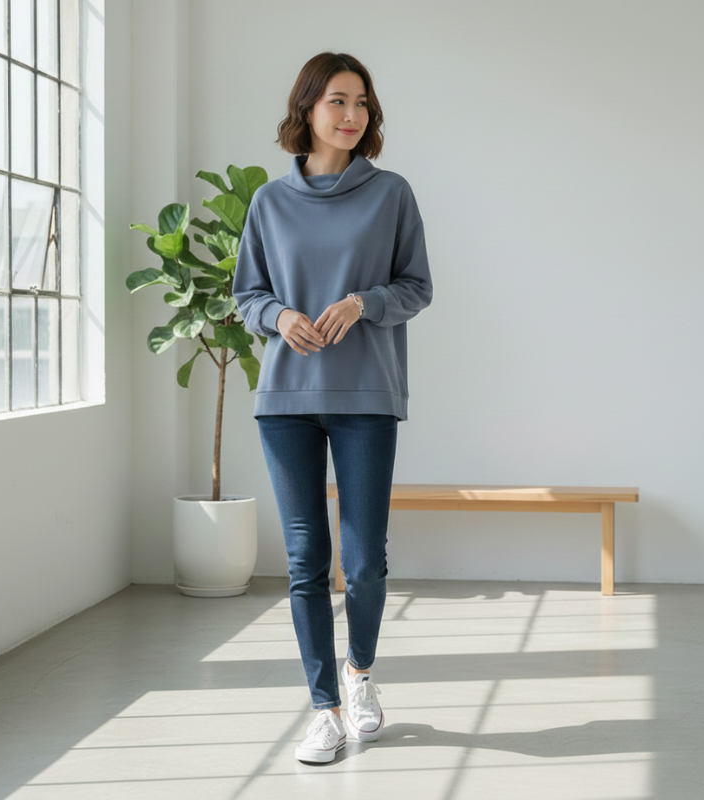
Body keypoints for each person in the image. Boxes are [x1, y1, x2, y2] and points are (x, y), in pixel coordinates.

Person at [232, 52, 433, 764]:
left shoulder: (391, 194)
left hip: (367, 396)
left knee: (364, 560)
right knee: (305, 560)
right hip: (286, 398)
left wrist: (363, 302)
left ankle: (360, 677)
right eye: (338, 102)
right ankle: (321, 709)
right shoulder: (269, 203)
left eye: (362, 104)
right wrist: (278, 316)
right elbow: (245, 294)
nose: (353, 115)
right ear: (307, 108)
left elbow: (417, 286)